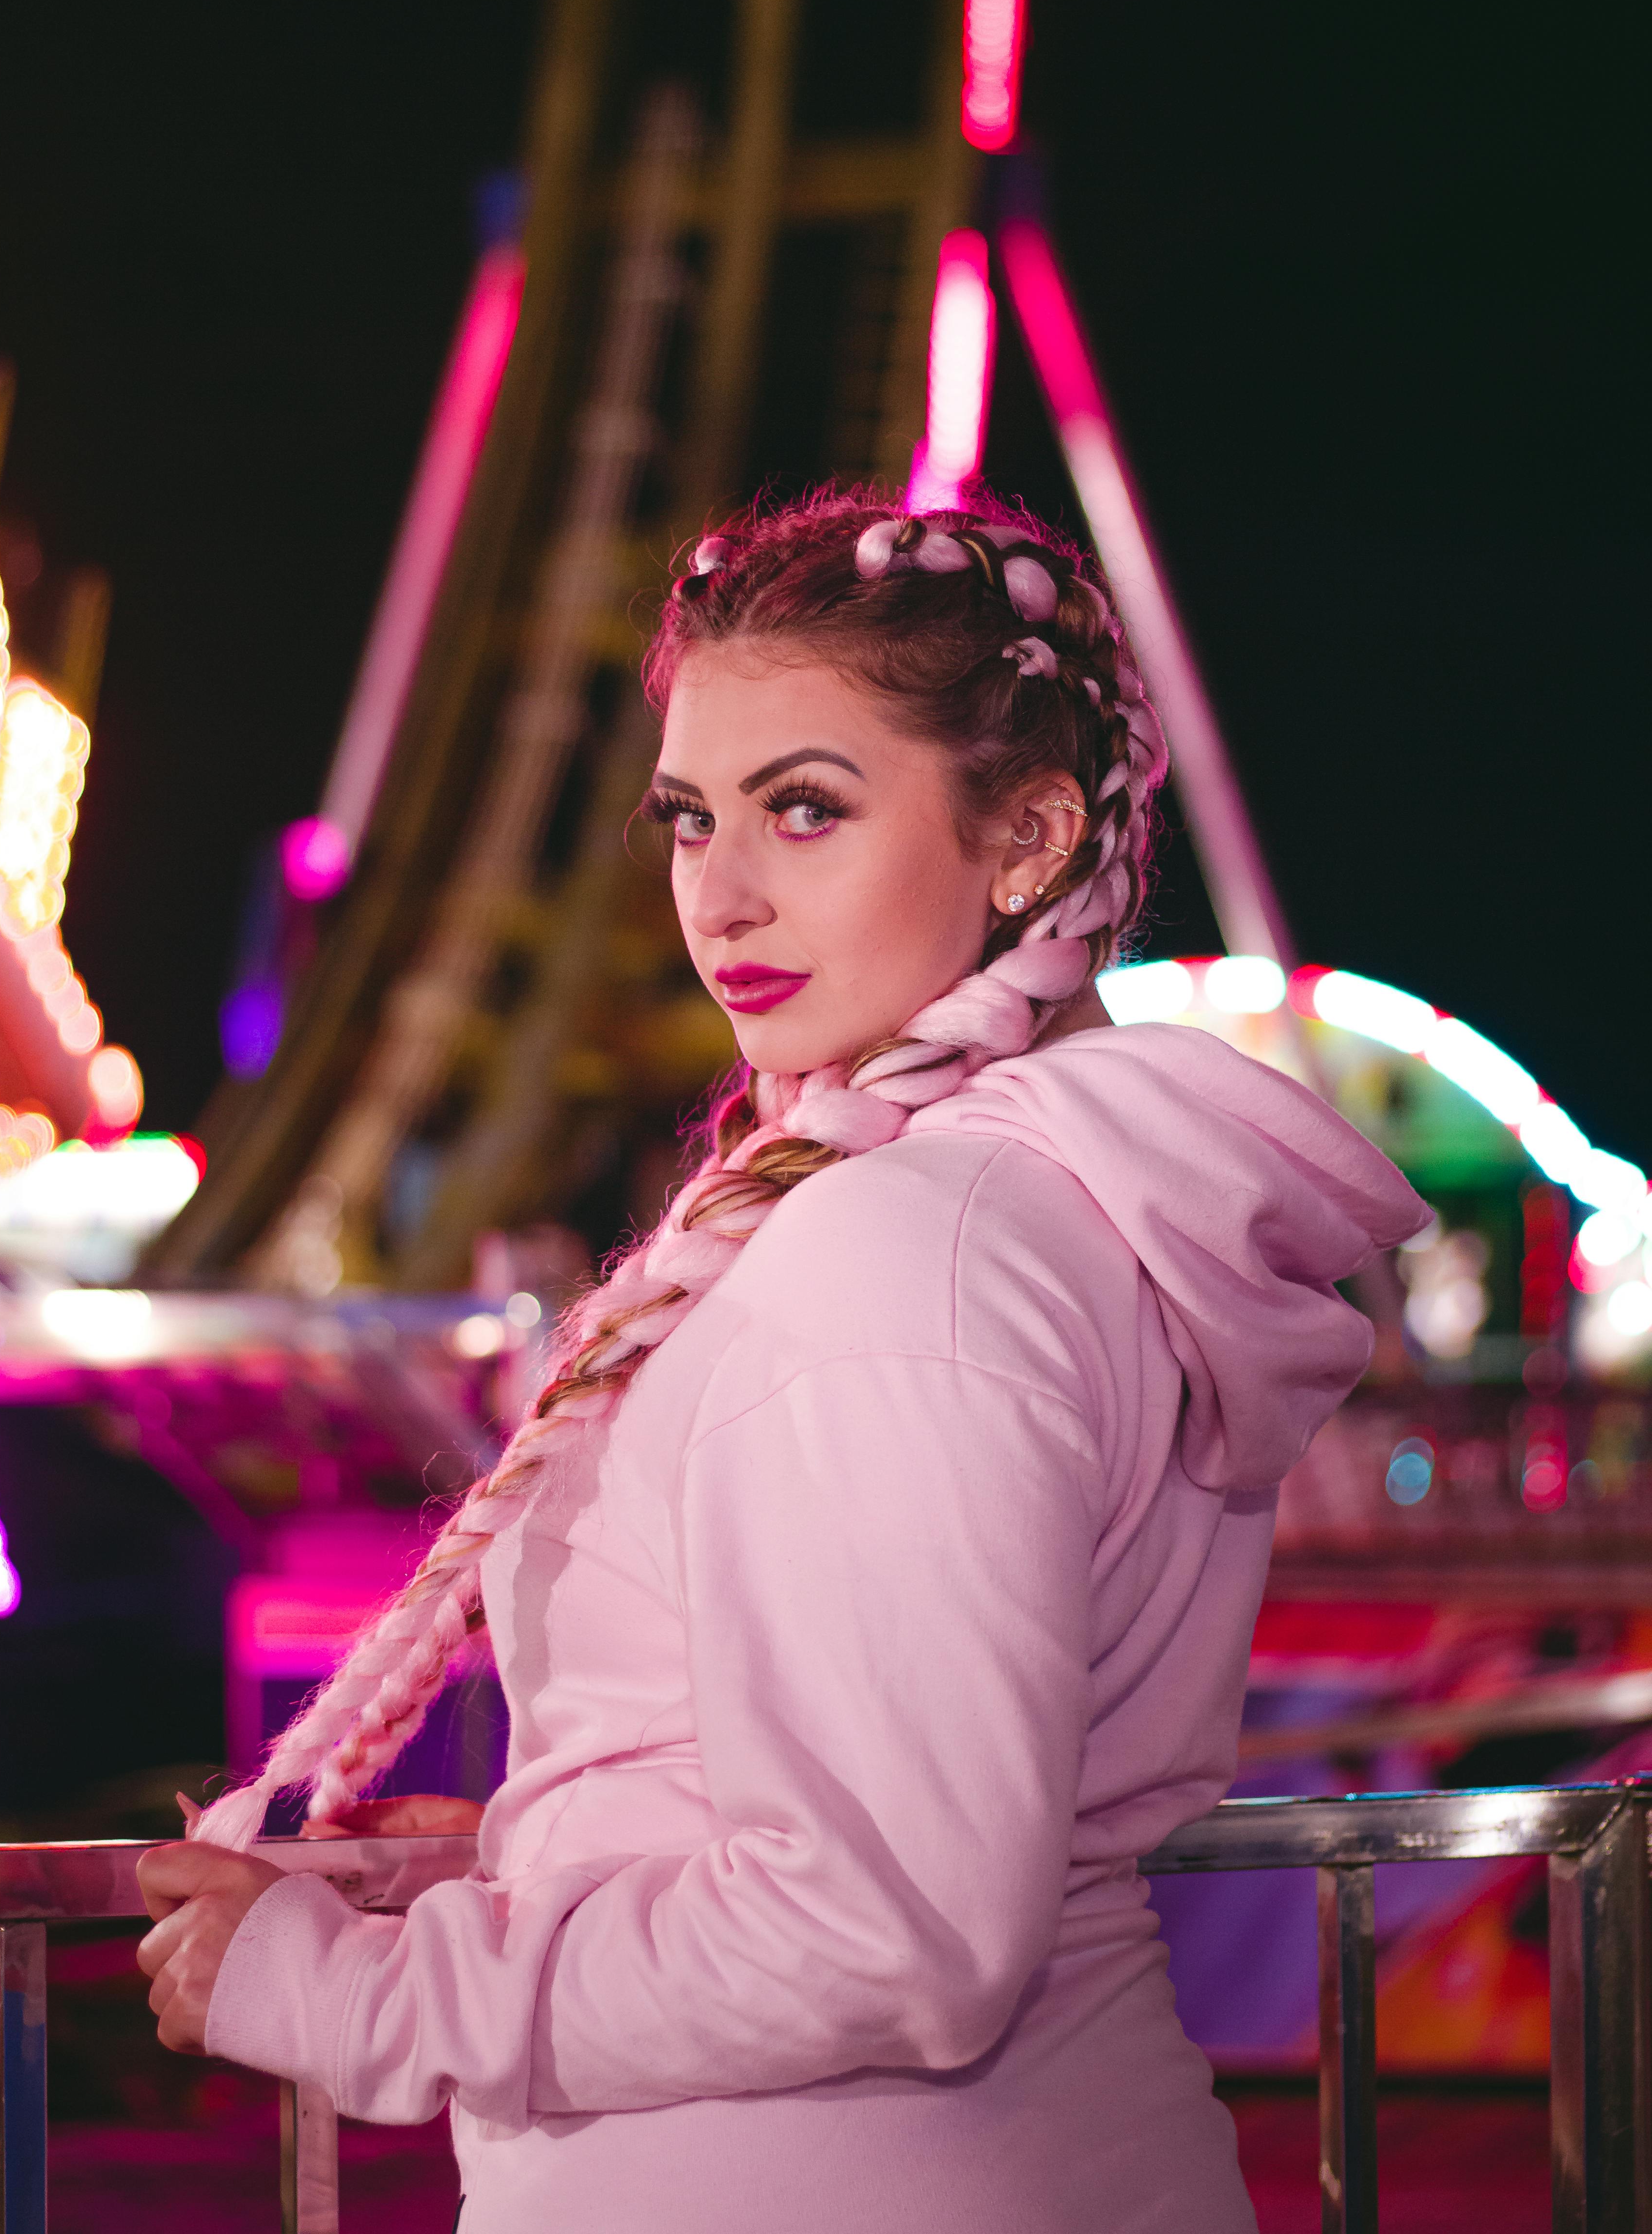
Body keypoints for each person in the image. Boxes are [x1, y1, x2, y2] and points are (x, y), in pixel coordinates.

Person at [138, 492, 1426, 2231]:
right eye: (689, 820)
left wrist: (353, 1995)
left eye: (805, 811)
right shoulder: (1072, 1202)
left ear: (1032, 837)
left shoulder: (912, 1252)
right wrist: (555, 1849)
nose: (720, 894)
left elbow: (886, 1929)